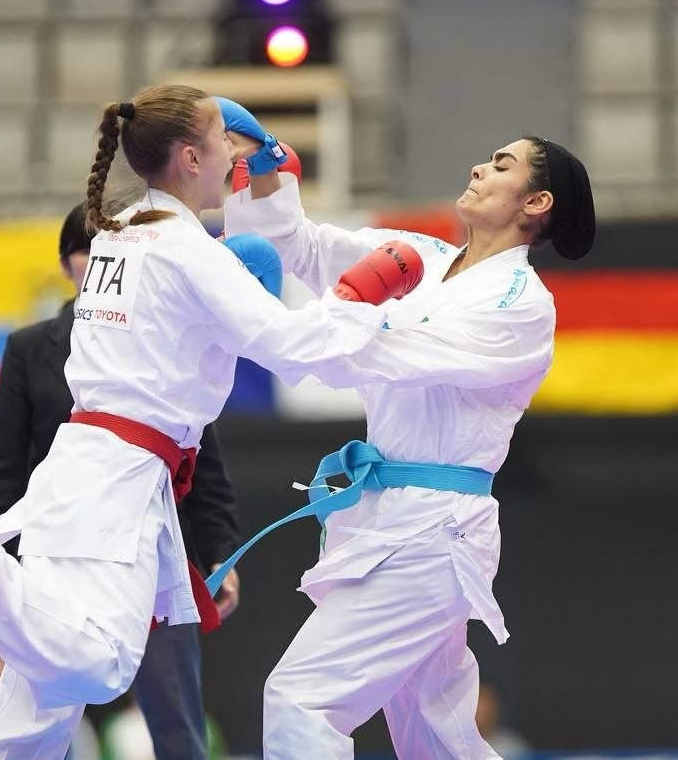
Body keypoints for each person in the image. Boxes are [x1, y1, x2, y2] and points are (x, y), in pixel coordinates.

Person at [0, 84, 418, 759]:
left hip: (88, 468)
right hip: (119, 478)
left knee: (34, 717)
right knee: (100, 664)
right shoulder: (186, 249)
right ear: (190, 158)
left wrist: (256, 189)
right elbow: (290, 347)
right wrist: (360, 293)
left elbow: (186, 335)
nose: (233, 155)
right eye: (224, 142)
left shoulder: (119, 232)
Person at [218, 135, 595, 758]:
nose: (478, 166)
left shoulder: (521, 304)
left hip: (433, 527)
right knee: (435, 733)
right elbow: (302, 249)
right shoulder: (420, 255)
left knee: (302, 699)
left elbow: (379, 353)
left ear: (536, 202)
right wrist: (266, 174)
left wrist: (347, 304)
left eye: (502, 165)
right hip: (392, 515)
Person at [0, 200, 242, 760]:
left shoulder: (165, 337)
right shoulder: (31, 349)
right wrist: (0, 571)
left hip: (152, 544)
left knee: (176, 724)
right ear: (66, 264)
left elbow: (203, 464)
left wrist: (221, 555)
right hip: (63, 548)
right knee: (45, 717)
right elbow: (4, 468)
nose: (100, 263)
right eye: (87, 253)